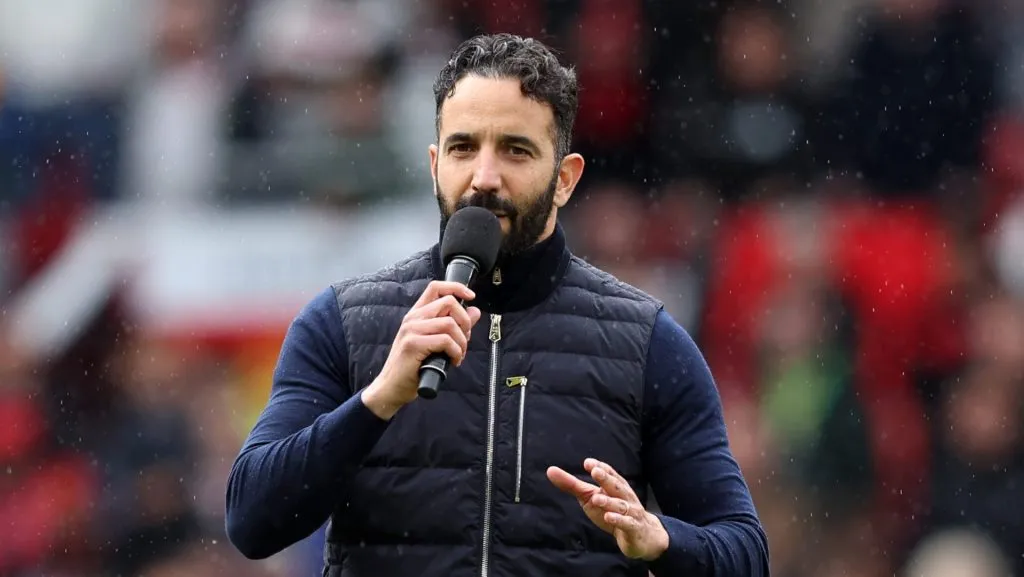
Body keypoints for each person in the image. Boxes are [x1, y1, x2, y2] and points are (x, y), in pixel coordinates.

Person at [225, 33, 770, 576]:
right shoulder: (340, 324)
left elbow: (744, 552)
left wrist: (662, 540)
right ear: (435, 165)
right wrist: (378, 400)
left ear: (565, 179)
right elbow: (251, 521)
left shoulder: (648, 343)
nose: (484, 179)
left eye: (515, 150)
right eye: (463, 148)